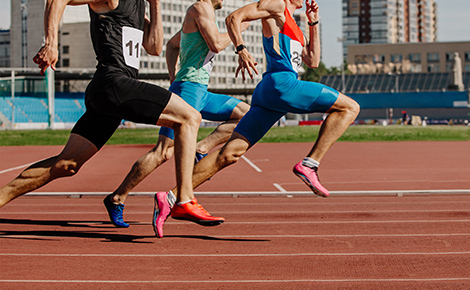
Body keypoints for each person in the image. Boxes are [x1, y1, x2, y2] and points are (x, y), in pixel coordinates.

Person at [0, 0, 202, 236]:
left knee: (67, 164)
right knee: (189, 117)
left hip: (111, 92)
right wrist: (51, 43)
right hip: (113, 83)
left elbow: (154, 48)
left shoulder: (140, 7)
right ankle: (184, 199)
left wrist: (154, 4)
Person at [153, 0, 361, 229]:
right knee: (350, 107)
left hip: (271, 93)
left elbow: (312, 60)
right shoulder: (276, 5)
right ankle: (309, 164)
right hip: (282, 84)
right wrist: (241, 49)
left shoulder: (293, 23)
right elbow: (233, 18)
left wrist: (313, 23)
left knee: (229, 154)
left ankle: (171, 197)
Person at [103, 0, 250, 237]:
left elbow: (172, 46)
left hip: (200, 90)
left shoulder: (205, 14)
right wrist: (239, 28)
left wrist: (173, 78)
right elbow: (216, 43)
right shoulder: (200, 8)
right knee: (163, 152)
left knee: (247, 115)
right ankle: (117, 198)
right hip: (189, 90)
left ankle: (201, 148)